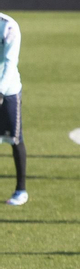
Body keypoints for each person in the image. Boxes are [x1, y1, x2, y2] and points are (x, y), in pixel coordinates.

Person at [0, 12, 23, 206]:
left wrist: (0, 92)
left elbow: (10, 63)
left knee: (14, 139)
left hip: (8, 91)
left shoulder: (8, 27)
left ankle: (21, 190)